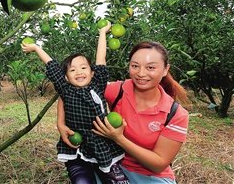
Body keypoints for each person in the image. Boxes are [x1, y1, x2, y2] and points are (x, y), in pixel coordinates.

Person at [57, 41, 190, 184]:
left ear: (165, 69)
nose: (141, 73)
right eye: (135, 66)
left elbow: (158, 164)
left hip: (150, 177)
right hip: (113, 166)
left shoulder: (175, 114)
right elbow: (73, 92)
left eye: (150, 67)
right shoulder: (118, 91)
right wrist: (60, 123)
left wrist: (119, 138)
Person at [22, 22, 129, 184]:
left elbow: (101, 58)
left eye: (83, 68)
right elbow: (52, 66)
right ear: (66, 77)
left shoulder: (98, 84)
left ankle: (111, 169)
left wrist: (102, 33)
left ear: (92, 73)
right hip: (76, 145)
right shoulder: (65, 88)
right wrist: (37, 48)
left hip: (100, 141)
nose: (78, 72)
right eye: (72, 70)